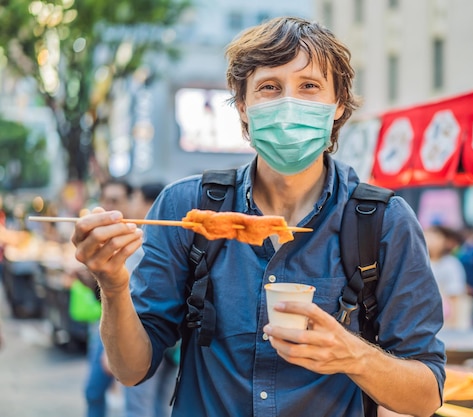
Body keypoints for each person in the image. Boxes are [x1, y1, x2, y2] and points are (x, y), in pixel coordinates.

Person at [72, 17, 445, 417]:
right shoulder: (185, 208)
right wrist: (111, 284)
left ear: (338, 105)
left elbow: (426, 396)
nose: (289, 104)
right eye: (270, 87)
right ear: (244, 106)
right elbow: (131, 370)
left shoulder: (384, 223)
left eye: (309, 86)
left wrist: (352, 355)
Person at [123, 181, 178, 417]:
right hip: (173, 337)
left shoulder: (142, 239)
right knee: (160, 406)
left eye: (135, 198)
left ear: (148, 202)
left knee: (140, 407)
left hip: (149, 334)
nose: (132, 205)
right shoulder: (175, 237)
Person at [82, 179, 133, 417]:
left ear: (128, 203)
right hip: (99, 326)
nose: (110, 206)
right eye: (106, 200)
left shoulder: (135, 241)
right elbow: (98, 287)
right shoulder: (101, 238)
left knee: (95, 391)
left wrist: (109, 349)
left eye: (116, 200)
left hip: (123, 331)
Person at [424, 225, 473, 330]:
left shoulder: (451, 264)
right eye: (427, 236)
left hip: (446, 321)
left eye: (435, 237)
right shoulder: (419, 263)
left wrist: (454, 323)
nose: (430, 240)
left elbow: (455, 296)